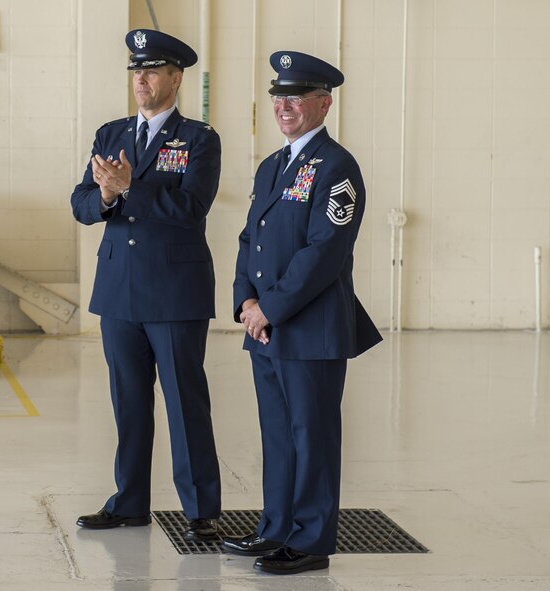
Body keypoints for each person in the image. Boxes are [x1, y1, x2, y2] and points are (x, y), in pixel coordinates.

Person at [223, 51, 382, 574]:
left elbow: (324, 252)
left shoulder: (338, 168)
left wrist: (270, 307)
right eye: (278, 97)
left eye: (296, 97)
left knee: (311, 434)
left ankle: (311, 541)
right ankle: (276, 528)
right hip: (265, 328)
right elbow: (251, 238)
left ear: (324, 103)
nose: (284, 107)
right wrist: (246, 301)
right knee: (277, 433)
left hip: (308, 328)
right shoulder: (274, 165)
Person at [71, 29, 222, 542]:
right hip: (119, 290)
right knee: (128, 400)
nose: (142, 79)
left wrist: (130, 187)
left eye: (152, 70)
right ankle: (129, 501)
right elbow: (81, 202)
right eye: (136, 70)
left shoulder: (199, 139)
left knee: (184, 401)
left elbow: (190, 208)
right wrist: (108, 199)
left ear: (176, 78)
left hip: (175, 291)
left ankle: (201, 509)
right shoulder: (111, 133)